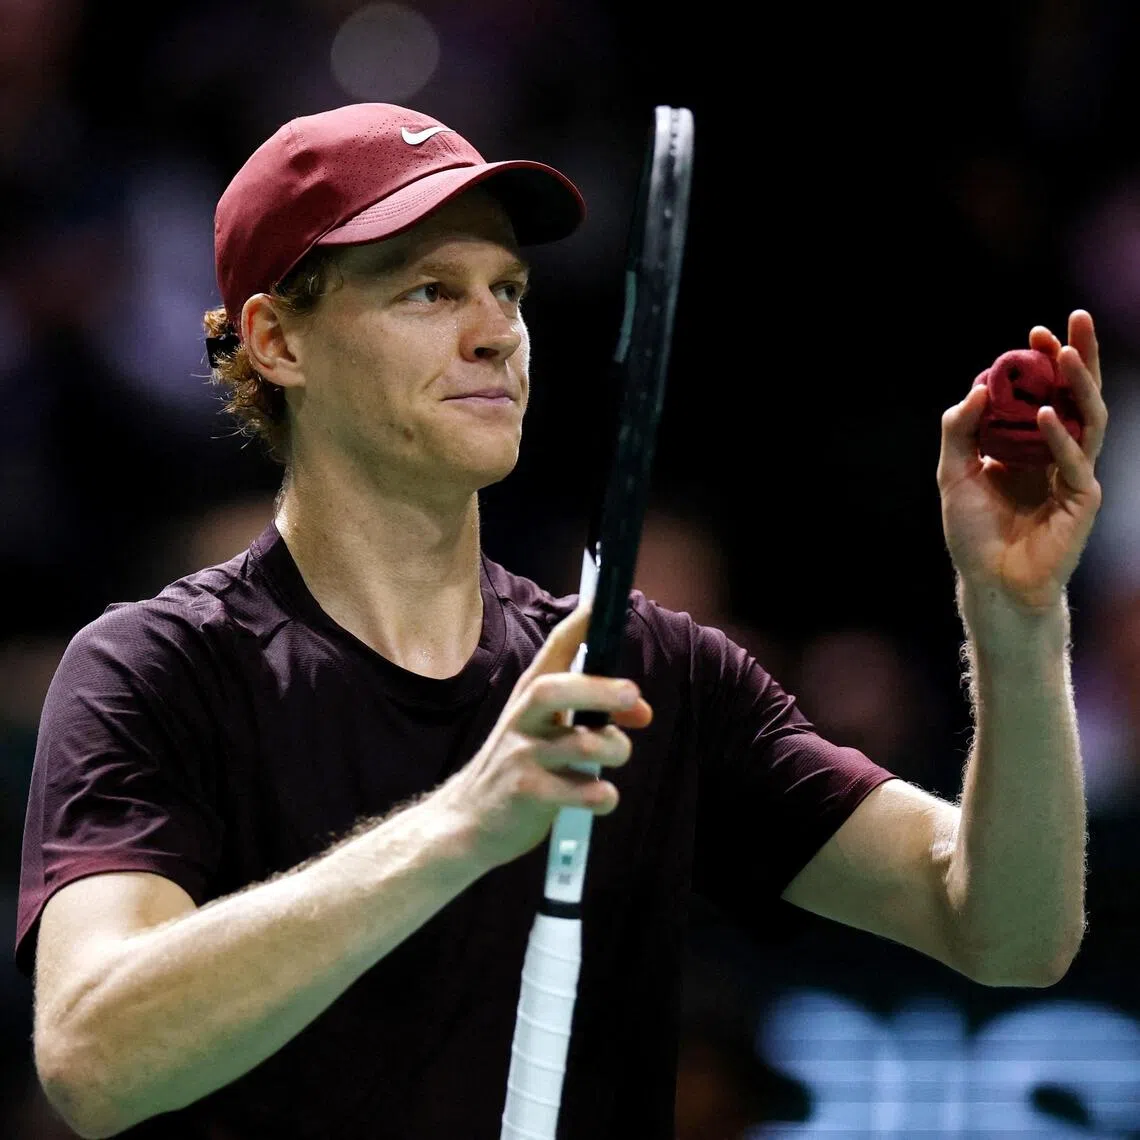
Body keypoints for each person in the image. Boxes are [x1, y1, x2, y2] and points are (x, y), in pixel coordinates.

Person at [14, 101, 1104, 1140]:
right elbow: (92, 1058)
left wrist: (1014, 618)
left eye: (510, 290)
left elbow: (1005, 930)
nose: (497, 334)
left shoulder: (641, 674)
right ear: (277, 342)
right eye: (431, 291)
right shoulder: (158, 673)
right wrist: (462, 826)